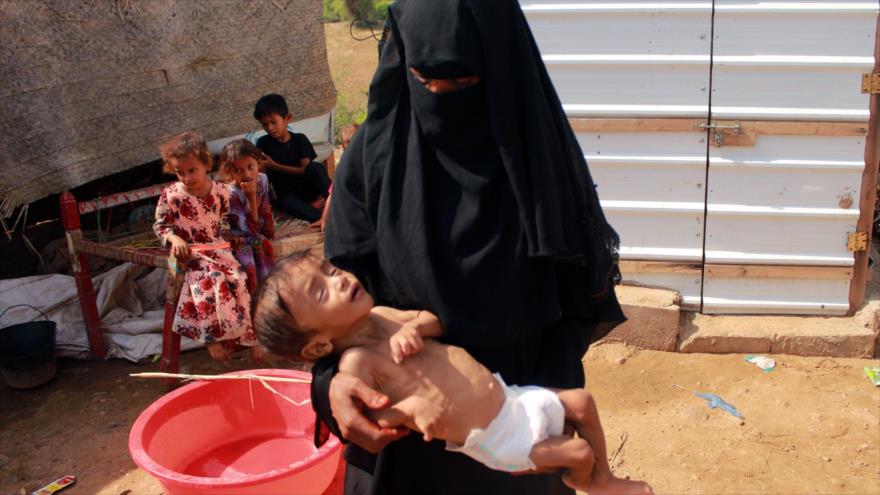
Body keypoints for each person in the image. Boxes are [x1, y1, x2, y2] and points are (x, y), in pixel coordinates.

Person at [318, 1, 626, 493]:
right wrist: (329, 385)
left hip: (513, 434)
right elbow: (331, 313)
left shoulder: (541, 170)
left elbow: (570, 318)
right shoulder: (374, 162)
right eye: (424, 79)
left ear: (502, 68)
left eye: (462, 83)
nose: (440, 96)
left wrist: (539, 418)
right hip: (403, 442)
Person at [254, 253, 652, 494]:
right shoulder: (356, 363)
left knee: (581, 401)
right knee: (576, 451)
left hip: (509, 397)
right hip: (491, 436)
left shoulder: (383, 315)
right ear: (319, 347)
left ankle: (604, 480)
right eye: (322, 291)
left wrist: (417, 327)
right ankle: (584, 478)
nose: (339, 278)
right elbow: (377, 412)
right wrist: (411, 413)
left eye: (329, 269)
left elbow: (434, 321)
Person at [153, 131, 260, 363]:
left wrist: (231, 236)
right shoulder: (171, 196)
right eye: (180, 172)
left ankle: (245, 337)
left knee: (238, 279)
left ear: (205, 165)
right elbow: (160, 226)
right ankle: (212, 338)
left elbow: (222, 222)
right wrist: (174, 239)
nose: (187, 177)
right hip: (192, 253)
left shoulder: (220, 191)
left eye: (192, 170)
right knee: (209, 280)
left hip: (218, 249)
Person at [253, 94, 331, 223]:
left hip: (309, 189)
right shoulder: (263, 143)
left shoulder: (300, 139)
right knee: (286, 203)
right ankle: (322, 217)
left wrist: (274, 165)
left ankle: (335, 201)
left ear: (287, 118)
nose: (270, 128)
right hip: (290, 196)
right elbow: (262, 173)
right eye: (265, 125)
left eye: (274, 122)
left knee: (315, 167)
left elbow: (305, 170)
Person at [217, 139, 276, 294]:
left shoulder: (262, 179)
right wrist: (250, 198)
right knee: (246, 256)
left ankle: (268, 293)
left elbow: (265, 210)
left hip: (255, 230)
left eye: (251, 167)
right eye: (238, 171)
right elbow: (247, 228)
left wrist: (269, 232)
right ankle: (251, 297)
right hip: (235, 235)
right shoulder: (230, 194)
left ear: (258, 164)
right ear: (229, 172)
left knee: (264, 245)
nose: (247, 175)